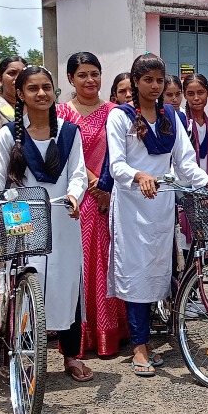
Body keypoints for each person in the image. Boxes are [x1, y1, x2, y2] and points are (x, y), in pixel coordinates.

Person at [0, 65, 91, 381]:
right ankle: (23, 355)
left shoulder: (70, 133)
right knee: (23, 283)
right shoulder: (9, 135)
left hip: (63, 217)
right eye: (33, 88)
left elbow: (78, 174)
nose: (41, 93)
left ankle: (71, 356)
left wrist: (75, 195)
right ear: (20, 94)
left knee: (66, 284)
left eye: (46, 87)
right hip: (21, 218)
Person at [106, 54, 208, 376]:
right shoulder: (120, 117)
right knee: (135, 272)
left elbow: (185, 162)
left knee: (157, 271)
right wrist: (139, 176)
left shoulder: (172, 116)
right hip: (131, 205)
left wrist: (207, 184)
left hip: (162, 204)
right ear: (135, 82)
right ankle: (139, 346)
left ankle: (150, 336)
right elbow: (116, 165)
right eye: (147, 80)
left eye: (159, 80)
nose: (154, 86)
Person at [58, 52, 128, 357]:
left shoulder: (116, 112)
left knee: (110, 262)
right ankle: (79, 334)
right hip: (77, 199)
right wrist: (94, 183)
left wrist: (108, 188)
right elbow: (61, 155)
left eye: (95, 73)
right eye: (82, 75)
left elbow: (124, 152)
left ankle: (112, 331)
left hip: (113, 199)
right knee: (81, 264)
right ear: (70, 79)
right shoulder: (61, 114)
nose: (90, 80)